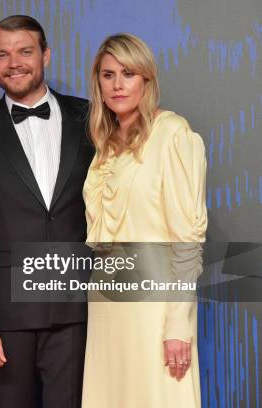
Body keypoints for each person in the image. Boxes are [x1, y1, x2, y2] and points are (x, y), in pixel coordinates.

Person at [0, 15, 94, 407]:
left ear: (45, 54)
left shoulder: (92, 119)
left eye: (25, 51)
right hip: (5, 318)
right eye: (2, 54)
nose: (14, 62)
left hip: (78, 312)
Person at [81, 33, 207, 407]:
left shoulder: (173, 135)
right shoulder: (104, 146)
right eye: (108, 75)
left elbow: (188, 239)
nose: (118, 84)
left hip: (154, 310)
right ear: (98, 82)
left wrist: (178, 325)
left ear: (147, 80)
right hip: (106, 305)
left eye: (129, 73)